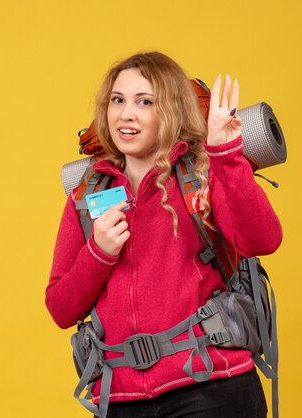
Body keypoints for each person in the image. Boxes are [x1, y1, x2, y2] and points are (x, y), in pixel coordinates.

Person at [46, 52, 282, 418]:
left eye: (145, 102)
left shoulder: (204, 173)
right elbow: (61, 308)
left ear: (171, 110)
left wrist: (226, 154)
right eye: (117, 100)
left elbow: (263, 240)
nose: (126, 114)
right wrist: (99, 252)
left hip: (212, 385)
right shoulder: (88, 195)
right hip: (122, 399)